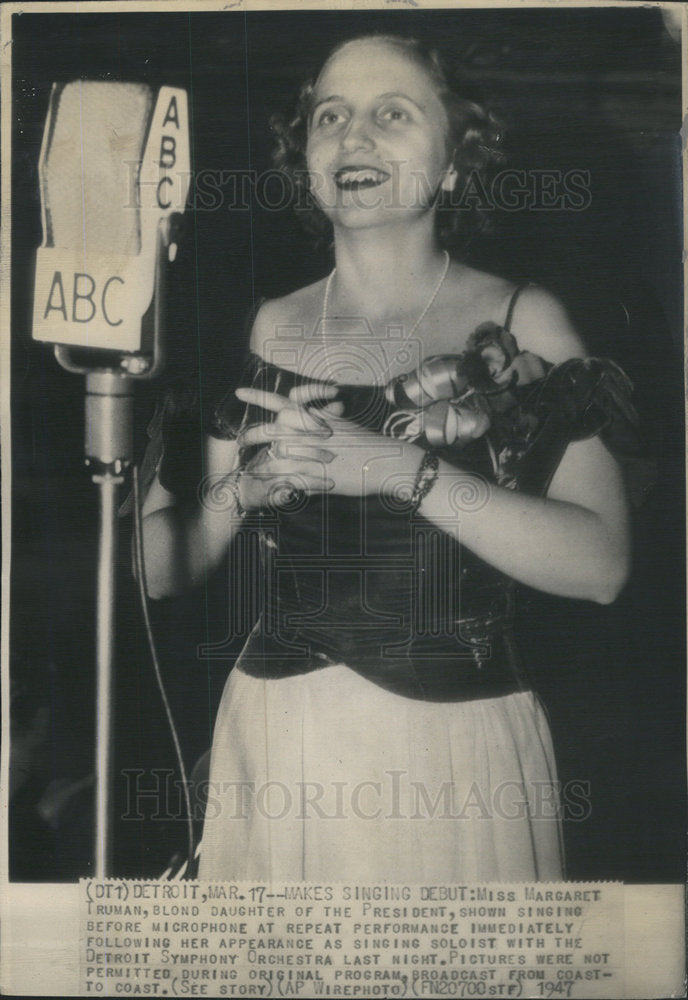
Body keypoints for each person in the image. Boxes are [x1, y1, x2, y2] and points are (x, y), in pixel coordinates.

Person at [141, 34, 640, 882]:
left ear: (455, 162)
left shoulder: (524, 325)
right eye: (329, 115)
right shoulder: (251, 326)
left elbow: (602, 565)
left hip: (453, 754)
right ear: (305, 161)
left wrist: (396, 471)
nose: (354, 136)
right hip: (275, 741)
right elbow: (157, 568)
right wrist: (242, 490)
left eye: (393, 114)